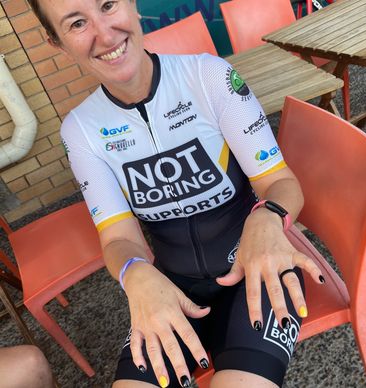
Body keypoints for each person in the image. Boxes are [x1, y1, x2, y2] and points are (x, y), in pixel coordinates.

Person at [27, 0, 325, 387]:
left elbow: (280, 182)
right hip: (169, 289)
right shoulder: (81, 131)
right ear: (56, 42)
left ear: (132, 5)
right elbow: (118, 238)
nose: (104, 34)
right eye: (78, 23)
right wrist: (135, 275)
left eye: (107, 5)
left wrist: (267, 217)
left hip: (258, 262)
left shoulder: (209, 77)